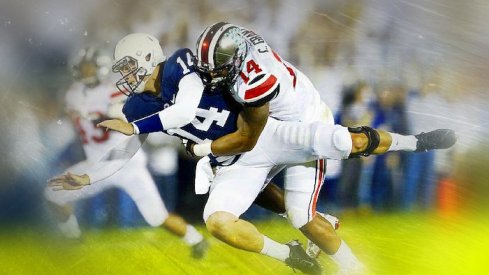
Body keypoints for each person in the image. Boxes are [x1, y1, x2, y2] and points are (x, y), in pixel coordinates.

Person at [50, 33, 456, 274]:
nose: (123, 75)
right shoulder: (134, 108)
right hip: (234, 159)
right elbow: (122, 151)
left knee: (341, 141)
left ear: (146, 58)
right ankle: (291, 256)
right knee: (218, 221)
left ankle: (414, 142)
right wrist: (88, 177)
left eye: (127, 65)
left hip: (262, 132)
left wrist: (140, 127)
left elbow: (186, 109)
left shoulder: (179, 65)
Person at [44, 47, 208, 259]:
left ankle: (196, 239)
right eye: (82, 69)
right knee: (53, 193)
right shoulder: (73, 94)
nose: (85, 73)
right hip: (97, 163)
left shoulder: (114, 90)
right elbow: (76, 124)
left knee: (156, 216)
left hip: (126, 162)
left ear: (100, 68)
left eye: (88, 68)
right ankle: (72, 238)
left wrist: (116, 112)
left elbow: (131, 112)